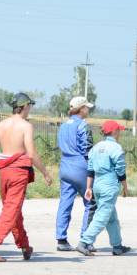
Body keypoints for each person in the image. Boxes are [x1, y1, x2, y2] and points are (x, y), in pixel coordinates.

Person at [0, 92, 53, 262]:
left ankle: (25, 245)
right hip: (18, 172)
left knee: (13, 210)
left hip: (4, 172)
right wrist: (45, 172)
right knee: (11, 211)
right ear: (25, 106)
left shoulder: (0, 125)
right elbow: (31, 153)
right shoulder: (26, 126)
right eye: (30, 106)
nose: (30, 109)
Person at [75, 120, 130, 256]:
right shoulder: (116, 148)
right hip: (109, 186)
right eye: (119, 130)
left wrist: (89, 188)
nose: (120, 133)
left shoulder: (96, 147)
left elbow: (90, 170)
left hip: (97, 186)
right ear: (114, 132)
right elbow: (121, 171)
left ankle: (117, 246)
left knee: (111, 217)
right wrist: (125, 187)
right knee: (102, 216)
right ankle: (84, 242)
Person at [55, 96, 96, 251]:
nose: (88, 110)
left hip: (65, 166)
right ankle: (86, 240)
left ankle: (61, 240)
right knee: (90, 202)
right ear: (81, 109)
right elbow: (87, 149)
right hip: (80, 167)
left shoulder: (63, 125)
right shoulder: (83, 125)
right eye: (87, 107)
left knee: (65, 203)